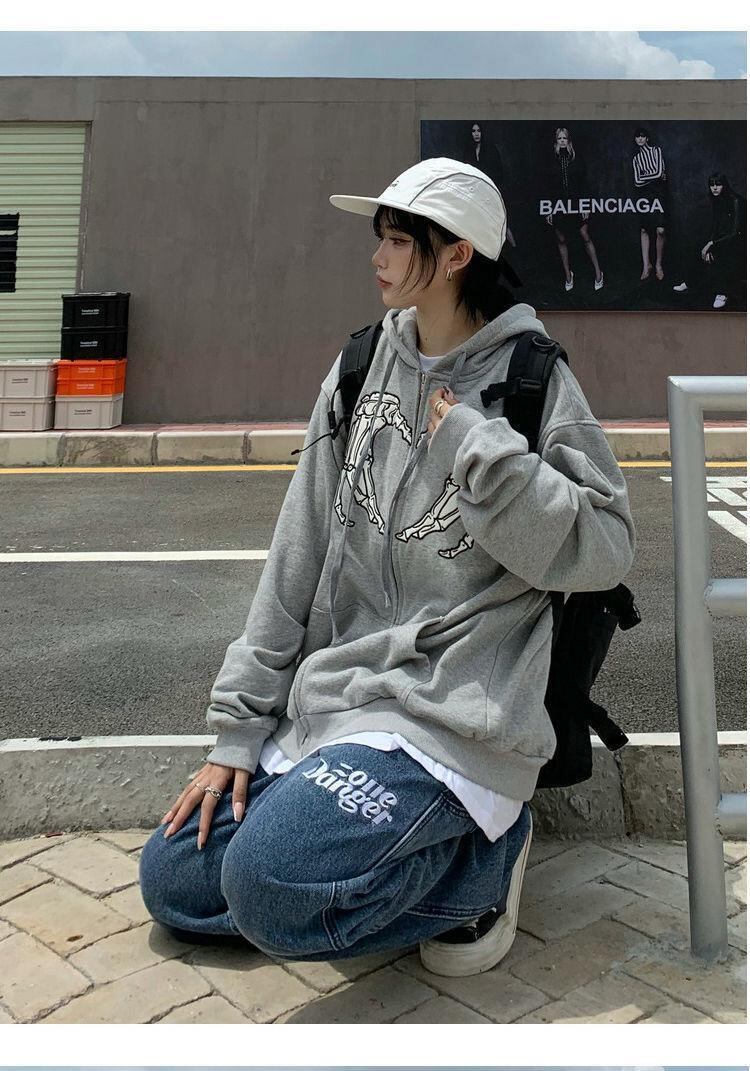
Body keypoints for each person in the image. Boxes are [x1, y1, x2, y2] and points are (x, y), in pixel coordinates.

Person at [140, 157, 636, 977]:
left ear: (456, 255)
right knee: (175, 880)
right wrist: (239, 728)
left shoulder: (532, 378)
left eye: (399, 241)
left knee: (265, 884)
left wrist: (479, 449)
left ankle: (485, 862)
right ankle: (379, 863)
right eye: (381, 238)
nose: (377, 257)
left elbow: (608, 545)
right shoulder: (362, 364)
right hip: (342, 699)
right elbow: (297, 548)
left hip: (451, 716)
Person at [673, 172, 746, 310]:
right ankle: (690, 282)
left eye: (718, 184)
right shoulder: (717, 200)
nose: (715, 188)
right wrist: (710, 244)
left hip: (738, 242)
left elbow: (736, 232)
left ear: (724, 185)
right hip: (723, 239)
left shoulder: (736, 201)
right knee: (697, 246)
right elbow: (716, 226)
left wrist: (713, 244)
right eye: (712, 185)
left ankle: (722, 293)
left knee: (723, 255)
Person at [545, 127, 604, 292]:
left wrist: (585, 205)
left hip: (577, 203)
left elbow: (584, 183)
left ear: (569, 141)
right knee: (561, 239)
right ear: (556, 142)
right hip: (558, 204)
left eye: (564, 138)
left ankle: (598, 274)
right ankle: (568, 276)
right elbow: (547, 187)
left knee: (585, 235)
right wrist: (548, 209)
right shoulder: (551, 161)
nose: (562, 141)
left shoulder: (577, 159)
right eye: (559, 138)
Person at [463, 122, 516, 247]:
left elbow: (498, 173)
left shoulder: (491, 149)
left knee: (502, 224)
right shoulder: (468, 151)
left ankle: (515, 250)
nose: (476, 134)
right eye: (473, 131)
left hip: (492, 192)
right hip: (475, 194)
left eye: (479, 131)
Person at [631, 126, 669, 281]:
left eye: (642, 136)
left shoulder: (656, 151)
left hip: (659, 193)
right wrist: (656, 176)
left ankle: (658, 264)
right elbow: (637, 182)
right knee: (644, 229)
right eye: (637, 136)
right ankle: (646, 265)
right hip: (644, 195)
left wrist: (646, 175)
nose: (640, 139)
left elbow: (659, 173)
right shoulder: (636, 159)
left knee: (660, 230)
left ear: (647, 138)